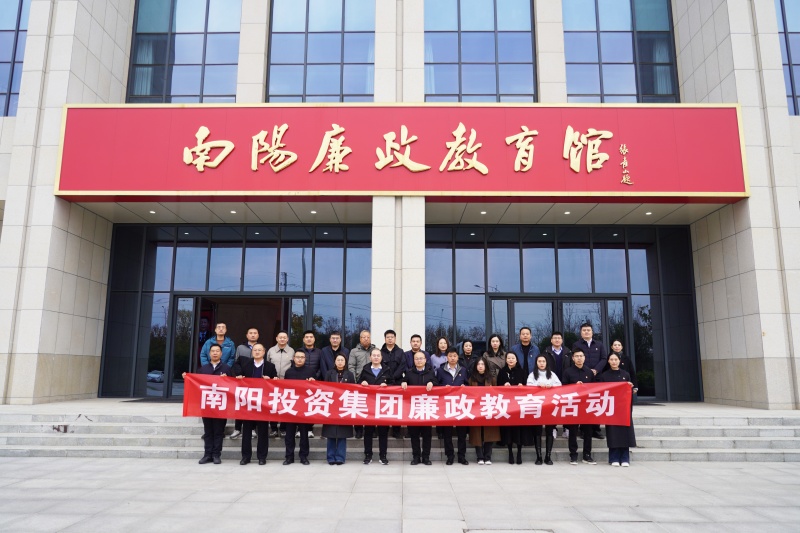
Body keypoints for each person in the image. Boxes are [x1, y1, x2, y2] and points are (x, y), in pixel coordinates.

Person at [183, 344, 230, 465]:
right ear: (209, 354)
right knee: (208, 432)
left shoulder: (227, 368)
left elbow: (233, 387)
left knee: (218, 432)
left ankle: (216, 455)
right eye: (213, 351)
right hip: (207, 405)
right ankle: (207, 454)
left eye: (217, 351)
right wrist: (187, 378)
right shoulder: (203, 369)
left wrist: (227, 379)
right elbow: (196, 384)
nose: (215, 353)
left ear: (221, 353)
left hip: (220, 406)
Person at [231, 343, 277, 465]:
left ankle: (262, 457)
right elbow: (236, 372)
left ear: (264, 352)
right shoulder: (246, 364)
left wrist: (271, 380)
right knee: (246, 432)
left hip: (263, 403)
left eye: (259, 350)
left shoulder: (270, 366)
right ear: (252, 352)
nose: (257, 352)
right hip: (248, 403)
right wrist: (238, 376)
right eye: (255, 350)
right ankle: (246, 457)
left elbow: (276, 383)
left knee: (263, 432)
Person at [597, 352, 637, 467]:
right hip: (611, 408)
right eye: (611, 359)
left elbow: (629, 393)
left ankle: (625, 458)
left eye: (616, 359)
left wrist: (629, 387)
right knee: (613, 433)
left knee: (625, 433)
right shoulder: (604, 376)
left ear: (619, 361)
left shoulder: (625, 374)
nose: (614, 362)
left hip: (623, 409)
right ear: (608, 361)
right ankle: (613, 458)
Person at [571, 323, 607, 439]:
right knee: (583, 403)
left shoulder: (599, 344)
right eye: (584, 330)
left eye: (588, 330)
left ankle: (596, 429)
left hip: (597, 377)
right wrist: (587, 371)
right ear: (581, 332)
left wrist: (596, 370)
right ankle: (583, 429)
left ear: (592, 332)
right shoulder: (576, 344)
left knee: (596, 403)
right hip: (582, 377)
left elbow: (604, 358)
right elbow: (576, 359)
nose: (586, 332)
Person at [401, 351, 437, 465]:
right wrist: (403, 383)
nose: (419, 360)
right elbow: (404, 381)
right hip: (413, 409)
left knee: (427, 435)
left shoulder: (430, 372)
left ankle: (426, 457)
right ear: (413, 361)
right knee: (414, 435)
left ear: (425, 360)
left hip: (427, 408)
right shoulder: (409, 372)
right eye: (417, 359)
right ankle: (416, 457)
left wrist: (432, 383)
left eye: (421, 358)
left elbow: (437, 383)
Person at [561, 349, 597, 466]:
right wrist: (574, 387)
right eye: (576, 356)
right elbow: (563, 388)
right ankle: (573, 455)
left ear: (584, 358)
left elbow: (594, 388)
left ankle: (587, 455)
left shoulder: (589, 372)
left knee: (588, 432)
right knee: (573, 431)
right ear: (573, 358)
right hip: (573, 405)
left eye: (581, 356)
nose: (579, 358)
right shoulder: (568, 372)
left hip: (587, 405)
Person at [435, 347, 469, 465]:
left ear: (457, 357)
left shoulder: (463, 370)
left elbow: (468, 385)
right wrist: (443, 388)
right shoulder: (440, 370)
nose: (452, 358)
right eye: (450, 356)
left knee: (462, 433)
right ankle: (450, 456)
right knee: (447, 433)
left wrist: (465, 387)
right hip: (446, 405)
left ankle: (461, 456)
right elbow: (436, 386)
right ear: (446, 357)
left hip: (461, 405)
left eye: (454, 356)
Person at [359, 348, 393, 465]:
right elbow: (359, 383)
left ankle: (383, 456)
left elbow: (393, 384)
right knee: (368, 432)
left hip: (383, 405)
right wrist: (362, 383)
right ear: (370, 357)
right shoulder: (365, 369)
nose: (376, 357)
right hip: (369, 405)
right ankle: (368, 455)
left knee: (383, 432)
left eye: (378, 355)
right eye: (374, 355)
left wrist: (387, 385)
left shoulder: (387, 369)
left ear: (381, 357)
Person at [527, 354, 561, 465]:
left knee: (549, 430)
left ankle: (548, 456)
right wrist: (538, 385)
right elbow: (528, 386)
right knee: (537, 431)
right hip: (537, 406)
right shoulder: (532, 375)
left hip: (550, 406)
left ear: (546, 363)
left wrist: (550, 385)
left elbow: (559, 386)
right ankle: (539, 457)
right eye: (539, 361)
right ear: (536, 363)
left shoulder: (552, 375)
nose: (541, 363)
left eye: (543, 361)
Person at [283, 351, 316, 465]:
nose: (300, 359)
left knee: (304, 434)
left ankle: (304, 456)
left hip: (304, 407)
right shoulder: (289, 372)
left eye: (302, 357)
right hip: (291, 406)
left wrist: (312, 382)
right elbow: (284, 388)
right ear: (294, 358)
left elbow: (315, 388)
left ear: (305, 359)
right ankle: (289, 457)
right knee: (289, 434)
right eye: (298, 357)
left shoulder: (310, 371)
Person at [322, 353, 355, 465]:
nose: (340, 362)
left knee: (342, 433)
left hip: (344, 406)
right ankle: (330, 457)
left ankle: (340, 457)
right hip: (331, 406)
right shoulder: (329, 373)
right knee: (330, 433)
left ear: (345, 362)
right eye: (338, 360)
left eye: (342, 360)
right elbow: (324, 388)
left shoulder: (349, 374)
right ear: (335, 362)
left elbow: (353, 389)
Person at [229, 326, 260, 440]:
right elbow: (236, 363)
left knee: (254, 405)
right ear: (247, 335)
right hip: (242, 381)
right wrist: (239, 375)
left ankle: (252, 429)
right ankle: (237, 429)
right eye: (250, 333)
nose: (253, 335)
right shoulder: (240, 348)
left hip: (256, 382)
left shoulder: (260, 347)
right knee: (241, 404)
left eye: (255, 333)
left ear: (258, 335)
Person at [468, 357, 500, 465]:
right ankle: (480, 457)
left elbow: (497, 394)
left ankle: (488, 457)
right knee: (477, 434)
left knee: (489, 433)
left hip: (489, 409)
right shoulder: (472, 379)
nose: (480, 366)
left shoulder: (492, 379)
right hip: (476, 410)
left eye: (482, 364)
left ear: (486, 366)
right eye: (478, 364)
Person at [496, 352, 527, 464]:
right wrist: (504, 386)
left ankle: (519, 452)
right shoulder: (502, 371)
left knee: (518, 429)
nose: (510, 360)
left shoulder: (522, 371)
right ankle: (510, 452)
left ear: (516, 360)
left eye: (513, 358)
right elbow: (497, 387)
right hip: (507, 405)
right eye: (508, 358)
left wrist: (522, 386)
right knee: (508, 429)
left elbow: (527, 386)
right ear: (506, 360)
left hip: (518, 405)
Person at [543, 331, 572, 438]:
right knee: (552, 406)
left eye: (559, 338)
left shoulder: (568, 352)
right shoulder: (546, 352)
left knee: (566, 406)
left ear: (562, 340)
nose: (557, 340)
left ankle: (566, 428)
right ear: (551, 340)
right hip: (551, 384)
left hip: (565, 383)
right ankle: (553, 428)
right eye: (555, 338)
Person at [267, 331, 294, 438]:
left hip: (286, 383)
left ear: (287, 339)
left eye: (284, 337)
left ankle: (283, 428)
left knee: (285, 405)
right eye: (280, 337)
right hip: (273, 383)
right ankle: (273, 428)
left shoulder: (291, 351)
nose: (282, 339)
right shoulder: (271, 351)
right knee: (273, 406)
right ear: (277, 338)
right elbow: (267, 365)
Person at [348, 330, 375, 439]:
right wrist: (355, 382)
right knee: (358, 406)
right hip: (359, 383)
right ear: (360, 339)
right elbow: (351, 367)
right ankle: (358, 430)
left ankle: (371, 429)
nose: (366, 339)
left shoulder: (375, 350)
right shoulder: (354, 351)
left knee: (371, 407)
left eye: (368, 337)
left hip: (372, 383)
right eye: (364, 337)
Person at [297, 330, 323, 439]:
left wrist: (314, 377)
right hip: (301, 383)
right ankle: (299, 429)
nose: (309, 339)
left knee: (311, 405)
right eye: (306, 337)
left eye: (311, 337)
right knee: (300, 406)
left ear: (314, 339)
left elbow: (321, 367)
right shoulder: (299, 351)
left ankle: (309, 429)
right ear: (303, 339)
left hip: (314, 383)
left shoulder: (319, 352)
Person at [380, 329, 406, 439]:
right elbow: (379, 365)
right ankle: (384, 430)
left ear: (395, 339)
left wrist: (394, 377)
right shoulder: (381, 352)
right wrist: (387, 377)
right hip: (384, 383)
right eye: (388, 337)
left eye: (392, 337)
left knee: (396, 407)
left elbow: (402, 366)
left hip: (397, 382)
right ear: (385, 339)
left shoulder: (400, 352)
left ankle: (396, 431)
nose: (390, 339)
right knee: (384, 406)